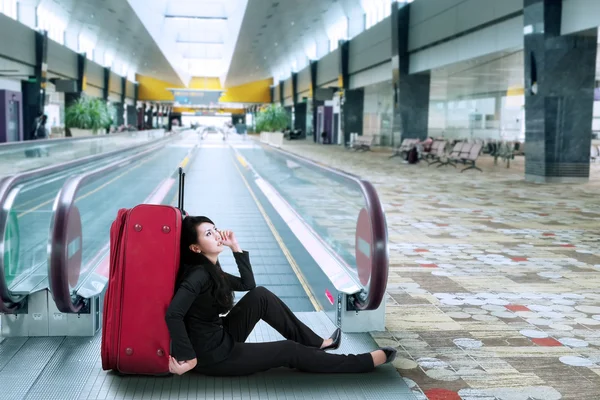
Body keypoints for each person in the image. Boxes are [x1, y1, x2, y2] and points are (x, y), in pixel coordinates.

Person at [165, 216, 397, 377]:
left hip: (219, 335)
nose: (216, 235)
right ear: (195, 247)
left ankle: (316, 343)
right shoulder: (197, 276)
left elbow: (248, 284)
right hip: (213, 355)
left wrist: (235, 247)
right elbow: (174, 314)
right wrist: (189, 358)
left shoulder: (211, 270)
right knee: (287, 350)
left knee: (260, 295)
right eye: (208, 233)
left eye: (215, 229)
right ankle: (361, 363)